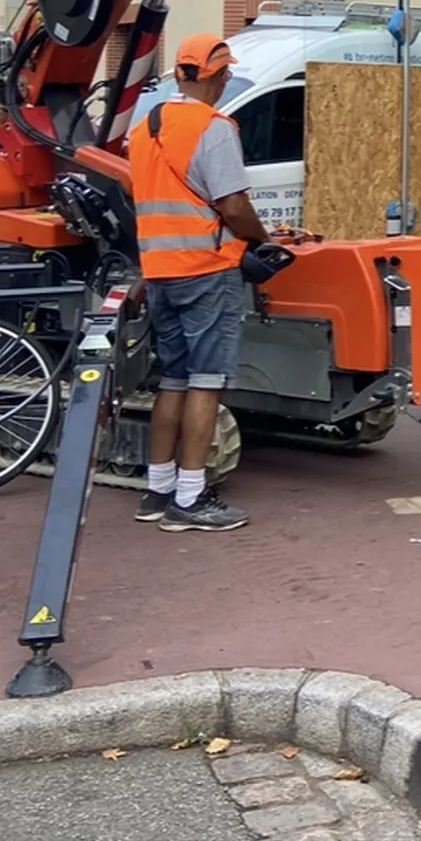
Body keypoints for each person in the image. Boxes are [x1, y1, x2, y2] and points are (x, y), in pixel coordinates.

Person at [127, 33, 276, 532]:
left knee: (171, 380)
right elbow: (232, 205)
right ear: (212, 76)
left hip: (160, 270)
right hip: (206, 270)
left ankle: (158, 489)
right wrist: (262, 238)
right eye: (225, 72)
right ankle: (190, 500)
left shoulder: (146, 126)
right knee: (206, 383)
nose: (229, 77)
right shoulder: (213, 128)